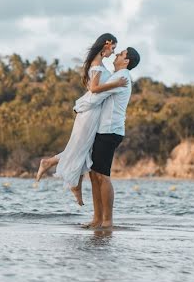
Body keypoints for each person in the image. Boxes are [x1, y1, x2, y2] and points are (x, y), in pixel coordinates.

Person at [35, 33, 129, 207]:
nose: (113, 53)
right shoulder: (97, 65)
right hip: (90, 114)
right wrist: (115, 84)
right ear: (106, 44)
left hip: (93, 113)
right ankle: (61, 174)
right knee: (80, 147)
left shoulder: (97, 63)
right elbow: (94, 89)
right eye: (113, 48)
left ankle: (71, 182)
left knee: (83, 149)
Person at [81, 47, 140, 229]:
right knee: (94, 174)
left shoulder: (121, 77)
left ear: (126, 61)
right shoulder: (116, 76)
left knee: (103, 176)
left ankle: (107, 221)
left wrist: (78, 107)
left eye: (120, 53)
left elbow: (95, 95)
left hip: (110, 132)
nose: (116, 54)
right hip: (103, 131)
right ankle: (97, 219)